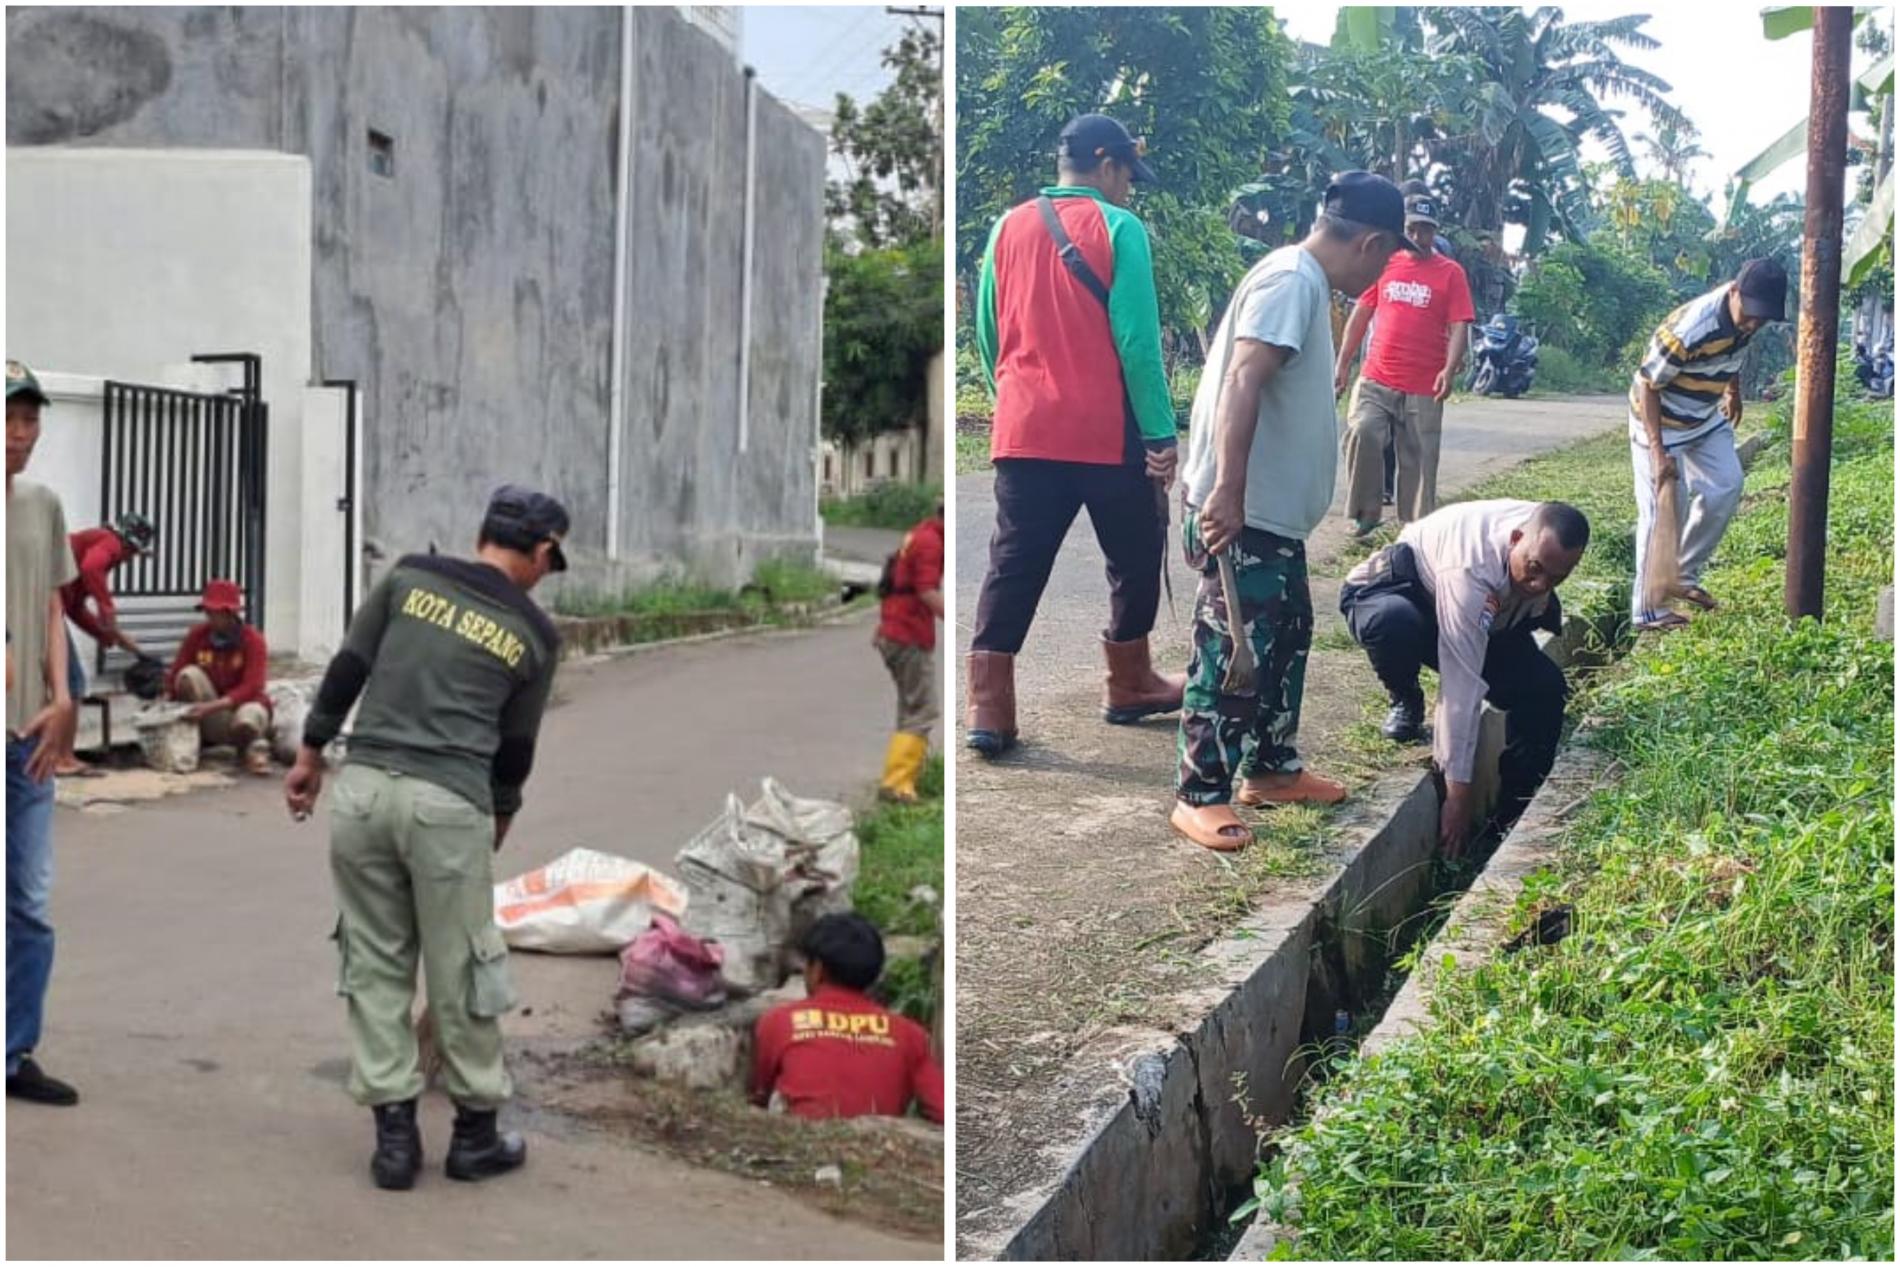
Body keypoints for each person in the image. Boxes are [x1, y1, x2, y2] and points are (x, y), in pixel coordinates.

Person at [286, 485, 566, 1190]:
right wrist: (498, 817)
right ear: (539, 552)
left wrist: (312, 753)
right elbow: (515, 749)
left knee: (375, 959)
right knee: (462, 965)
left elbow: (349, 666)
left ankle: (395, 1140)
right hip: (449, 803)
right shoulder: (534, 632)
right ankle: (473, 1135)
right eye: (550, 559)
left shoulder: (409, 577)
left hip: (365, 792)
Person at [1169, 174, 1419, 851]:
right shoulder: (1292, 280)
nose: (1376, 276)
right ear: (1369, 243)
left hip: (1273, 517)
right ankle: (1200, 791)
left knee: (1287, 640)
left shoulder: (1302, 281)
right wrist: (1226, 490)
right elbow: (1243, 379)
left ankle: (1272, 767)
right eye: (1384, 260)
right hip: (1243, 512)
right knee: (1231, 652)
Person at [967, 112, 1181, 759]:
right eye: (1127, 177)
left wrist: (1020, 399)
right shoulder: (1121, 228)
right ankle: (1130, 681)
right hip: (1104, 430)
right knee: (1137, 550)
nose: (1130, 190)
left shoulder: (1007, 226)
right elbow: (1139, 345)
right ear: (1107, 165)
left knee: (1014, 562)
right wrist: (1161, 434)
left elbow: (987, 335)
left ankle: (989, 708)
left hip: (1024, 431)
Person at [1339, 500, 1588, 856]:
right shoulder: (1471, 568)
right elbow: (1461, 687)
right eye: (1534, 569)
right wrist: (1458, 797)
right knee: (1392, 624)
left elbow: (1516, 608)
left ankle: (1512, 816)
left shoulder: (1545, 532)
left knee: (1544, 689)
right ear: (1516, 539)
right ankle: (1405, 698)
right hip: (1398, 595)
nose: (1540, 584)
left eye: (1556, 577)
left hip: (1489, 613)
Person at [1628, 258, 1785, 631]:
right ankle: (1647, 610)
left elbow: (1732, 355)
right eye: (1750, 315)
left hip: (1703, 417)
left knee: (1726, 485)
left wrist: (1733, 392)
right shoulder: (1691, 328)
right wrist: (1657, 452)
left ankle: (1681, 574)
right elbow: (1649, 384)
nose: (1753, 324)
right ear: (1734, 291)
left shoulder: (1749, 317)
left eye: (1761, 319)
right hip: (1659, 421)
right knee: (1663, 511)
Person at [6, 359, 81, 1106]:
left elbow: (54, 609)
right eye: (8, 418)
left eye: (29, 420)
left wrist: (62, 697)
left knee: (27, 897)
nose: (19, 434)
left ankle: (12, 1049)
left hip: (27, 735)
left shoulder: (42, 505)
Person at [1335, 190, 1475, 535]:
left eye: (1425, 230)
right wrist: (1342, 363)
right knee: (1362, 431)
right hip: (1376, 377)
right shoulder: (1385, 264)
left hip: (1424, 384)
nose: (1417, 237)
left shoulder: (1450, 273)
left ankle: (1414, 531)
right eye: (1412, 229)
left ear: (1434, 232)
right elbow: (1362, 312)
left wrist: (1449, 368)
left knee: (1418, 458)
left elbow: (1460, 324)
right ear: (1402, 229)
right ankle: (1365, 512)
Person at [750, 913, 944, 1124]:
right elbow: (944, 1111)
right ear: (876, 974)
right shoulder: (910, 1035)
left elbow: (760, 1095)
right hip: (878, 1148)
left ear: (817, 970)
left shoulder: (779, 1021)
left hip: (799, 1145)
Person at [52, 512, 157, 776]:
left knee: (54, 685)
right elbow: (91, 568)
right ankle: (62, 759)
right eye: (133, 553)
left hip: (45, 603)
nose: (131, 559)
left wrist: (104, 634)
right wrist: (107, 610)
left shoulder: (89, 546)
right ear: (130, 544)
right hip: (42, 604)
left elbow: (74, 607)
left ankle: (55, 755)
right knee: (72, 682)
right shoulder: (109, 542)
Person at [164, 578, 275, 775]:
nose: (211, 617)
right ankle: (195, 740)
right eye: (208, 612)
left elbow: (253, 686)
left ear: (230, 613)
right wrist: (167, 700)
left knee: (248, 718)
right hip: (212, 714)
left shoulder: (253, 641)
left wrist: (214, 706)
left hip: (243, 708)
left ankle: (248, 748)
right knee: (188, 675)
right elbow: (177, 672)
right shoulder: (197, 636)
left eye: (215, 613)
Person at [876, 501, 944, 803]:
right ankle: (898, 785)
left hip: (895, 631)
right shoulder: (930, 542)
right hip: (909, 635)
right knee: (923, 709)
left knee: (910, 709)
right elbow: (926, 589)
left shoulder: (920, 534)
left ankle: (898, 778)